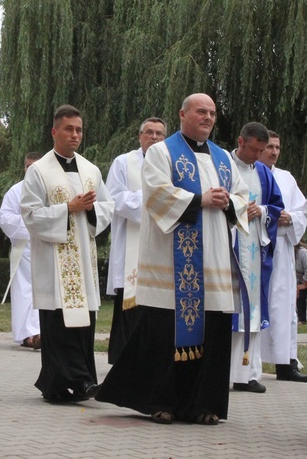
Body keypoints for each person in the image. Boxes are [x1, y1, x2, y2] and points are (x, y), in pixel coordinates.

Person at [96, 93, 249, 425]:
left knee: (214, 334)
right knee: (164, 335)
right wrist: (199, 199)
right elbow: (155, 193)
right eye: (200, 112)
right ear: (183, 114)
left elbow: (242, 195)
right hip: (171, 265)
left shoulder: (224, 158)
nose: (208, 117)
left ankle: (205, 405)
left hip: (214, 267)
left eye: (212, 113)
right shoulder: (162, 153)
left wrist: (229, 202)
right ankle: (161, 402)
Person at [21, 104, 114, 402]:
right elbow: (31, 215)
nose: (75, 135)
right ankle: (64, 383)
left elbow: (108, 207)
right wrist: (67, 209)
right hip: (53, 262)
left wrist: (89, 210)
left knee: (82, 325)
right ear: (54, 132)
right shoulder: (38, 171)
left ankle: (82, 380)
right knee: (59, 328)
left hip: (82, 263)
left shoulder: (91, 170)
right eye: (68, 129)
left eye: (79, 130)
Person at [105, 118, 166, 364]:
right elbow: (113, 198)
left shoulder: (171, 163)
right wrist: (152, 197)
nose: (154, 137)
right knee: (130, 305)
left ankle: (151, 361)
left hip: (161, 244)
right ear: (140, 136)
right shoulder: (123, 162)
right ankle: (123, 360)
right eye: (149, 133)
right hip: (131, 246)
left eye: (159, 134)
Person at [229, 122, 282, 394]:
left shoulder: (263, 172)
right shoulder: (223, 165)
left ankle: (247, 373)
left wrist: (261, 210)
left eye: (261, 150)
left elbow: (276, 207)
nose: (257, 155)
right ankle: (222, 373)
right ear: (241, 141)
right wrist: (237, 211)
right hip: (229, 251)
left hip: (254, 252)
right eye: (253, 150)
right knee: (229, 311)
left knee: (251, 312)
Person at [259, 131, 307, 382]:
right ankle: (250, 365)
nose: (274, 151)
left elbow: (302, 210)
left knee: (284, 306)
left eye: (277, 147)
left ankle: (285, 364)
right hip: (257, 250)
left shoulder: (286, 178)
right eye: (269, 146)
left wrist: (291, 219)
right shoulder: (250, 173)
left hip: (282, 251)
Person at [0, 152, 42, 349]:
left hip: (46, 247)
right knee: (25, 292)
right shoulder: (16, 191)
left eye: (35, 166)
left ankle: (42, 331)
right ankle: (27, 334)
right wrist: (30, 223)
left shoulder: (49, 190)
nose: (30, 170)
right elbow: (5, 218)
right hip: (24, 248)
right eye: (27, 166)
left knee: (45, 292)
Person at [296, 243, 307, 324]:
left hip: (305, 278)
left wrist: (305, 284)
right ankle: (302, 319)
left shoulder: (303, 253)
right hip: (301, 279)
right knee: (299, 293)